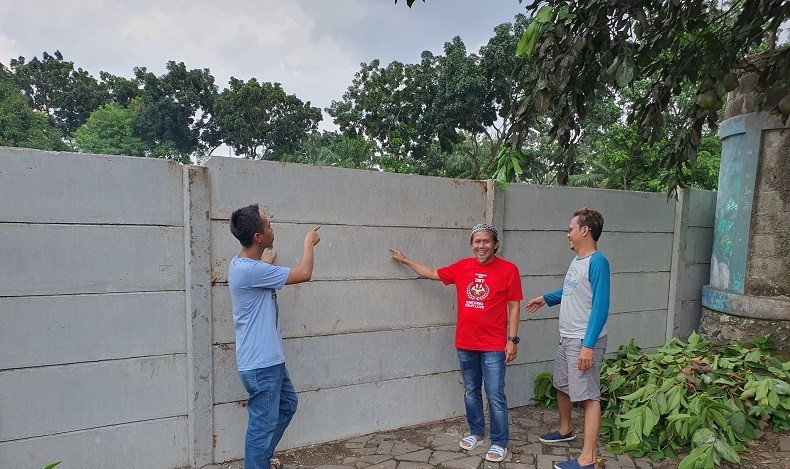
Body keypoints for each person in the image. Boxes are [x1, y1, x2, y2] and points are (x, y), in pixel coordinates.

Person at [389, 223, 522, 463]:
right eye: (477, 242)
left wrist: (512, 340)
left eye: (486, 241)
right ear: (472, 245)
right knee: (471, 391)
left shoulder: (508, 270)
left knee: (494, 393)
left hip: (494, 344)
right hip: (466, 342)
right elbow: (431, 273)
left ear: (496, 245)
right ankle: (477, 433)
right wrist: (406, 260)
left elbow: (514, 306)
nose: (481, 246)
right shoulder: (462, 267)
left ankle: (499, 442)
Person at [228, 204, 321, 469]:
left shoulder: (245, 265)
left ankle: (259, 460)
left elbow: (256, 272)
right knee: (260, 429)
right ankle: (257, 463)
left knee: (288, 405)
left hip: (267, 362)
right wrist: (308, 243)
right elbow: (304, 273)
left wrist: (264, 263)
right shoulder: (252, 271)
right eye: (268, 226)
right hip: (262, 366)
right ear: (258, 237)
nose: (272, 230)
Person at [525, 208, 610, 469]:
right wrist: (546, 298)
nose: (567, 234)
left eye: (571, 229)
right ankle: (565, 430)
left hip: (584, 341)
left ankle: (588, 459)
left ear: (585, 230)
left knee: (588, 396)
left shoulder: (598, 262)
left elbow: (600, 306)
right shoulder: (578, 261)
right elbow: (572, 290)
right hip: (567, 338)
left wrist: (588, 346)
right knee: (562, 385)